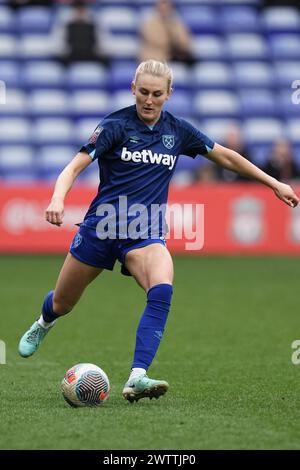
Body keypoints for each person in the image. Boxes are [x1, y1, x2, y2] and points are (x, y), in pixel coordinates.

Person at [18, 60, 299, 403]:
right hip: (101, 228)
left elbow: (225, 157)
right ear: (133, 89)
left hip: (145, 232)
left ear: (168, 94)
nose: (149, 101)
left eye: (156, 94)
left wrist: (273, 183)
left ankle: (138, 375)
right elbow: (74, 166)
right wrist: (58, 198)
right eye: (143, 93)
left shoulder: (177, 130)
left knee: (162, 285)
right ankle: (45, 322)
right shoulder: (115, 126)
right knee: (63, 301)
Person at [139, 0, 195, 66]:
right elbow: (158, 41)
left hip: (174, 55)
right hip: (156, 57)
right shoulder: (149, 24)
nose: (164, 10)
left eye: (167, 7)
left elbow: (185, 42)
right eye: (162, 7)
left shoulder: (176, 23)